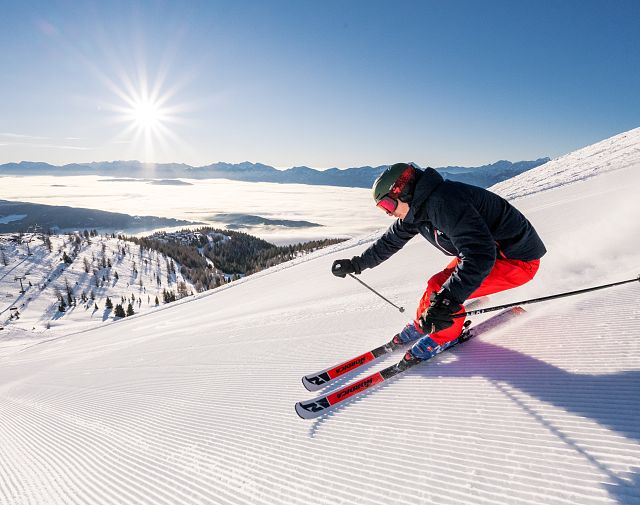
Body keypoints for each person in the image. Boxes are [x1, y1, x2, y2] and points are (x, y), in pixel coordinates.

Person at [331, 162, 546, 364]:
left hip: (515, 260)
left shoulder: (444, 203)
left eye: (387, 205)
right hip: (484, 253)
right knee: (436, 286)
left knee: (441, 291)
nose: (389, 213)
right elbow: (390, 241)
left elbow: (480, 254)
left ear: (403, 191)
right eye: (383, 209)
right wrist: (356, 264)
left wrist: (448, 301)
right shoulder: (418, 208)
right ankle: (423, 323)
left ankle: (442, 337)